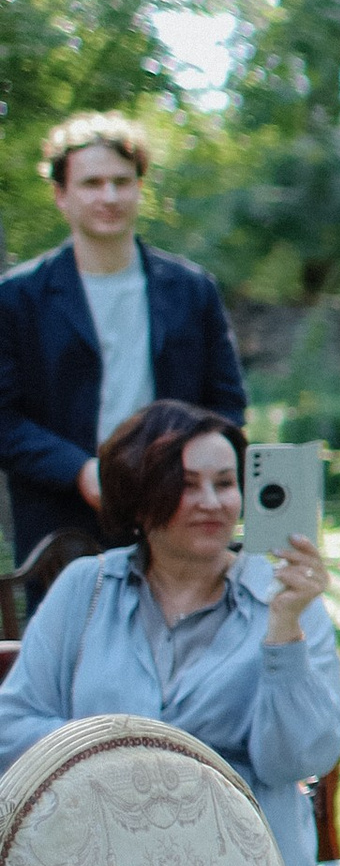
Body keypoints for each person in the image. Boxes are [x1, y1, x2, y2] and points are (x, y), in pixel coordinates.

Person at [0, 399, 340, 866]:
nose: (211, 502)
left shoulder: (288, 601)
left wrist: (284, 632)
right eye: (187, 485)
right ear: (138, 496)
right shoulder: (84, 590)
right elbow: (11, 728)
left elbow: (296, 759)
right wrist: (135, 753)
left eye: (226, 483)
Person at [0, 116, 247, 567]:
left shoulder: (193, 290)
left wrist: (191, 474)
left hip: (178, 511)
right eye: (92, 183)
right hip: (61, 522)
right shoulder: (17, 298)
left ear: (139, 189)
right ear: (61, 195)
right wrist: (80, 472)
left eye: (122, 182)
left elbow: (226, 405)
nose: (109, 197)